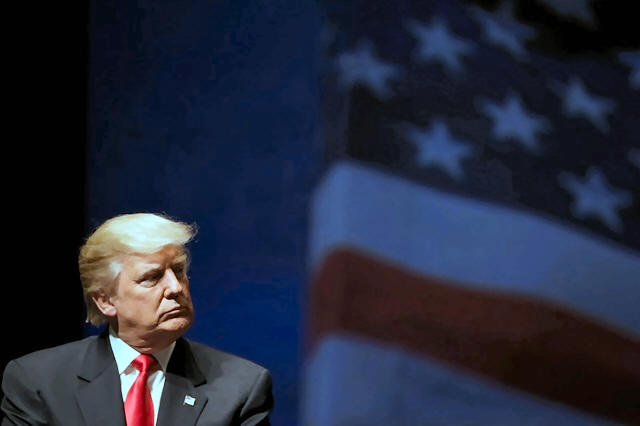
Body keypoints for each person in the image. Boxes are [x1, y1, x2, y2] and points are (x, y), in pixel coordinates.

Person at [1, 213, 273, 426]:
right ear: (105, 301)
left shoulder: (241, 387)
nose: (175, 287)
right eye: (152, 278)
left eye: (178, 271)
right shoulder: (39, 381)